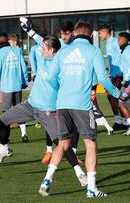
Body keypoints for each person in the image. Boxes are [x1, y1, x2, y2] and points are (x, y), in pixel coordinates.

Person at [37, 21, 122, 198]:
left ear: (74, 33)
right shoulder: (94, 51)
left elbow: (51, 76)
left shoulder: (63, 51)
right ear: (90, 35)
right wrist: (118, 93)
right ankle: (91, 189)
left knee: (63, 143)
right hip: (81, 105)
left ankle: (47, 179)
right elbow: (103, 79)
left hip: (62, 104)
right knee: (90, 143)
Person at [0, 32, 88, 187]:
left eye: (44, 48)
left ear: (51, 50)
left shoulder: (60, 64)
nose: (40, 50)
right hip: (30, 105)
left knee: (62, 144)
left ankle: (80, 173)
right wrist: (30, 31)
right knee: (1, 120)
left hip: (47, 112)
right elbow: (40, 41)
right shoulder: (43, 57)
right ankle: (4, 149)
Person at [20, 18, 82, 164]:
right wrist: (30, 31)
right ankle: (49, 151)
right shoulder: (59, 46)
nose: (64, 37)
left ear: (73, 33)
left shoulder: (78, 47)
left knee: (73, 125)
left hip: (71, 89)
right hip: (56, 92)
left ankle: (72, 152)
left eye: (67, 34)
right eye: (62, 34)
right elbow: (42, 41)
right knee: (53, 122)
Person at [0, 32, 29, 143]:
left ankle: (7, 138)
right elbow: (23, 67)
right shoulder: (17, 50)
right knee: (20, 110)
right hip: (17, 86)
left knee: (5, 113)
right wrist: (24, 81)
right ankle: (24, 134)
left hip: (7, 88)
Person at [98, 24, 128, 130]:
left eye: (100, 33)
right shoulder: (108, 43)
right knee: (112, 97)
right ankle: (120, 121)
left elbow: (124, 53)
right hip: (113, 75)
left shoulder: (115, 41)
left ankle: (123, 121)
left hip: (119, 75)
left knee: (113, 96)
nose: (100, 35)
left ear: (105, 32)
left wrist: (122, 70)